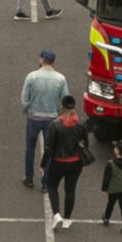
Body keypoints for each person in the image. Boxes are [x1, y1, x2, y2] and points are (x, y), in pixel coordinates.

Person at [40, 96, 92, 228]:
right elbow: (86, 143)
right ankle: (68, 219)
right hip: (75, 163)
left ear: (62, 107)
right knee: (70, 190)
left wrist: (43, 164)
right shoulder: (81, 124)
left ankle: (56, 214)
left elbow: (50, 148)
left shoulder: (55, 125)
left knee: (52, 186)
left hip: (58, 162)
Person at [20, 49, 69, 188]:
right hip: (51, 119)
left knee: (30, 148)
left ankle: (29, 178)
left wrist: (28, 110)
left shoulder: (32, 76)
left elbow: (24, 99)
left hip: (34, 117)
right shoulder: (60, 78)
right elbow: (65, 99)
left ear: (42, 60)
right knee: (50, 149)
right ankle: (46, 182)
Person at [98, 138, 122, 234]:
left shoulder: (110, 163)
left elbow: (106, 178)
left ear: (117, 150)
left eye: (115, 147)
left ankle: (106, 218)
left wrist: (104, 189)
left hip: (114, 189)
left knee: (111, 203)